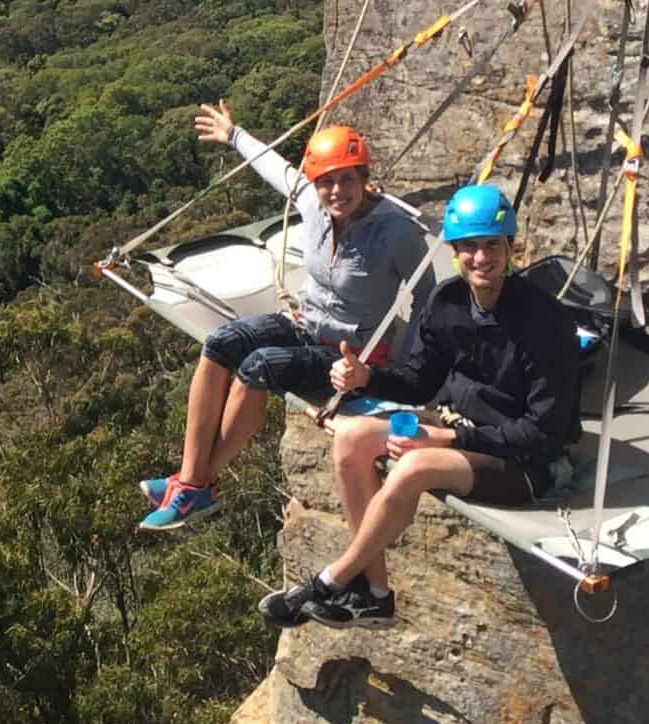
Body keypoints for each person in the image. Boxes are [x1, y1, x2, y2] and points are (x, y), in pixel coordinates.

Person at [259, 182, 583, 628]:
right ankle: (375, 594)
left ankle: (330, 581)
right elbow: (419, 379)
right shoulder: (447, 302)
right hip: (454, 428)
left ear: (511, 246)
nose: (481, 258)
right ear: (454, 250)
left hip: (525, 462)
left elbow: (543, 432)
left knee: (415, 467)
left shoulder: (546, 323)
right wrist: (368, 377)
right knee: (352, 437)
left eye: (492, 246)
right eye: (469, 247)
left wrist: (448, 437)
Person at [138, 102, 431, 530]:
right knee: (219, 343)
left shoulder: (394, 232)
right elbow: (276, 169)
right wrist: (234, 133)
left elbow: (428, 297)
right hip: (304, 324)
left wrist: (401, 370)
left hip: (348, 355)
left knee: (259, 367)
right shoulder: (315, 206)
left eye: (347, 180)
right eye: (326, 182)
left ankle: (194, 487)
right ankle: (190, 477)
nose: (337, 192)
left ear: (364, 179)